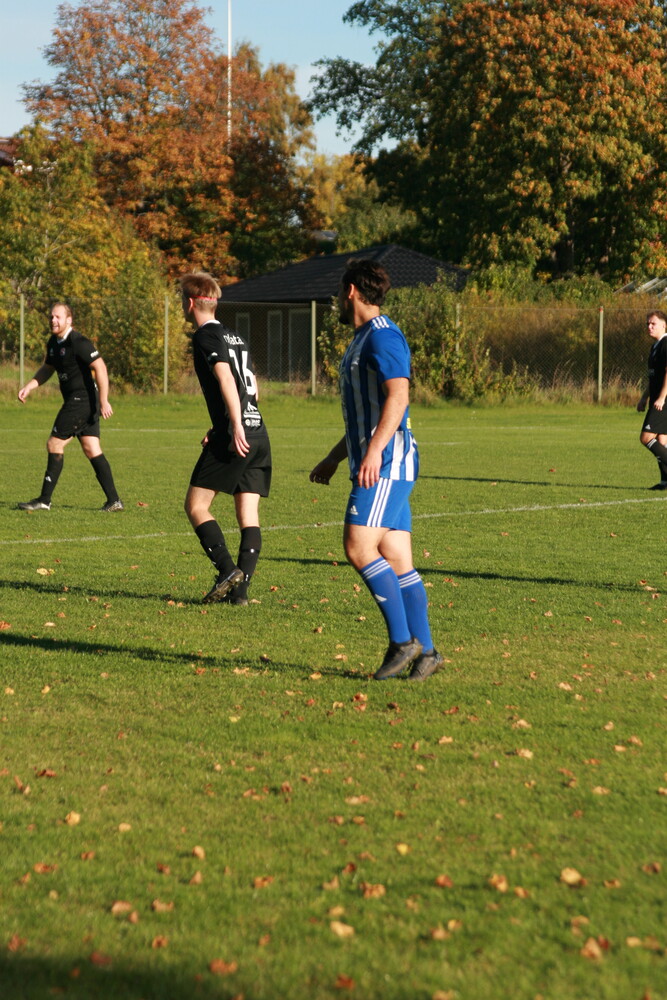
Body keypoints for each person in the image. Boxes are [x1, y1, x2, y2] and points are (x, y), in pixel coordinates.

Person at [309, 259, 441, 681]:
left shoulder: (383, 335)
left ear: (350, 291)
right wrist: (336, 456)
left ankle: (403, 641)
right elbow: (366, 414)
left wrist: (373, 454)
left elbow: (398, 397)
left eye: (339, 292)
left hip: (387, 464)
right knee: (397, 558)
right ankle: (428, 653)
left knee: (357, 547)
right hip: (379, 459)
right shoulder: (361, 337)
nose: (337, 299)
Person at [181, 272, 271, 605]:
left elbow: (226, 380)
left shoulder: (205, 336)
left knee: (196, 506)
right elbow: (253, 388)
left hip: (238, 433)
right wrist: (235, 422)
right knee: (248, 514)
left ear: (191, 303)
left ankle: (226, 570)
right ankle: (240, 595)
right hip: (259, 431)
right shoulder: (236, 336)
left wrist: (233, 425)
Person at [17, 302, 123, 512]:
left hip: (81, 401)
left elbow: (100, 367)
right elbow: (48, 368)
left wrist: (104, 400)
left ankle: (44, 500)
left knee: (54, 444)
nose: (53, 320)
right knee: (91, 448)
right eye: (51, 317)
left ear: (69, 320)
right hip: (80, 402)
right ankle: (114, 501)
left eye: (58, 317)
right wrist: (29, 386)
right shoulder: (53, 342)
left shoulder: (78, 342)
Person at [637, 310, 667, 490]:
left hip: (664, 401)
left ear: (664, 325)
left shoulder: (665, 344)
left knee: (646, 437)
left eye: (653, 323)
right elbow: (653, 377)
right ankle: (665, 482)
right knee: (662, 441)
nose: (649, 326)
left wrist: (662, 397)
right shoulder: (655, 347)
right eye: (647, 323)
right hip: (657, 399)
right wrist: (644, 397)